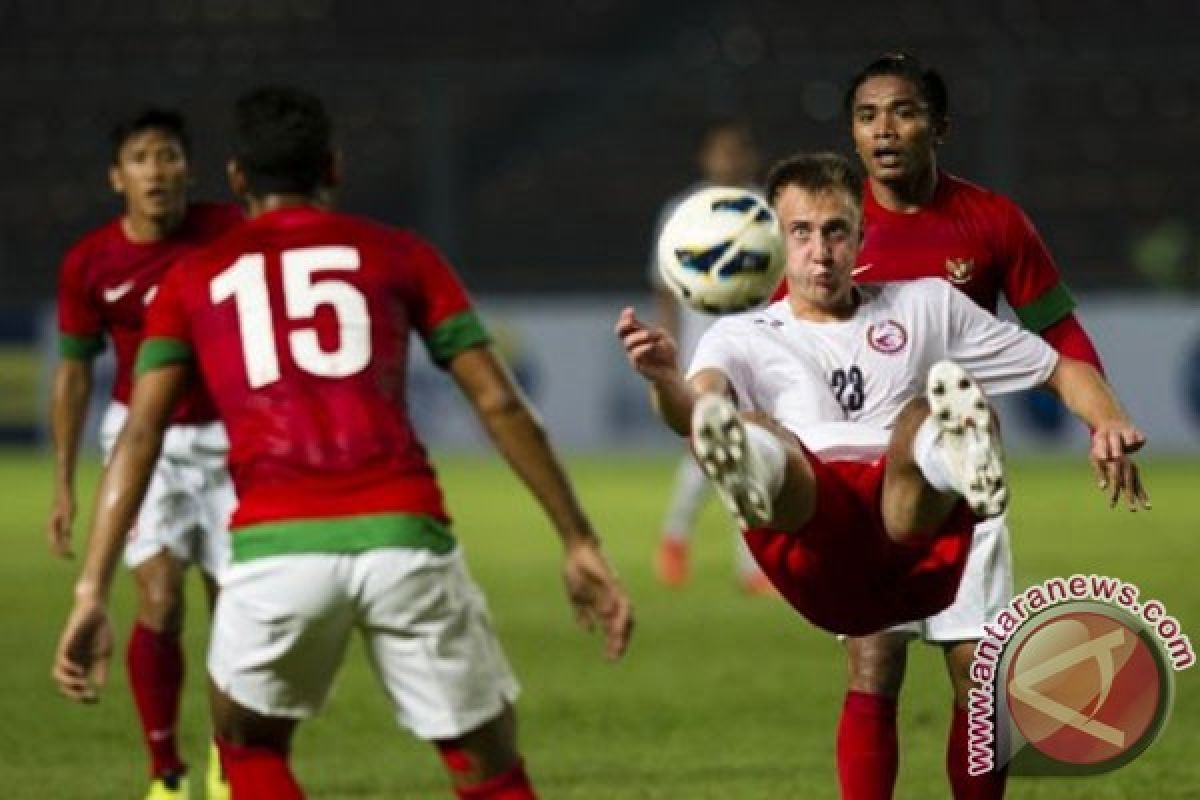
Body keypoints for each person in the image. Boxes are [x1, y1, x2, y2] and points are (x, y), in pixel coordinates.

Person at [53, 85, 633, 800]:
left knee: (246, 741)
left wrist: (90, 590)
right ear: (333, 167)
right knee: (488, 765)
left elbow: (138, 433)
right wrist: (576, 538)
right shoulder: (401, 254)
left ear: (236, 178)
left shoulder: (194, 277)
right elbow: (498, 401)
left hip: (275, 548)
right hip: (405, 536)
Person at [616, 149, 1148, 780]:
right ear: (777, 241)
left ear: (862, 236)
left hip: (917, 506)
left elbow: (1058, 368)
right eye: (802, 233)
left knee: (981, 671)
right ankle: (751, 468)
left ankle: (956, 451)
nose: (821, 251)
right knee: (757, 436)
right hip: (823, 526)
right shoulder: (744, 334)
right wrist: (662, 380)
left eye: (837, 230)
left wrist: (1107, 418)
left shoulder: (926, 304)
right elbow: (692, 408)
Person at [825, 52, 1114, 800]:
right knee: (874, 661)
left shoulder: (991, 220)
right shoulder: (832, 227)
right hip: (866, 472)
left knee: (978, 676)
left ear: (939, 126)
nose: (884, 130)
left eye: (903, 112)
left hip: (962, 468)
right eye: (867, 116)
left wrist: (1101, 420)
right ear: (852, 134)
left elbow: (1058, 331)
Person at [49, 108, 242, 800]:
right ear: (116, 177)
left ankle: (233, 757)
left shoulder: (229, 234)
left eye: (167, 156)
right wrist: (67, 484)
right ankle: (165, 772)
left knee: (238, 611)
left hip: (233, 439)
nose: (155, 171)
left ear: (189, 168)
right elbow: (74, 375)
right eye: (140, 158)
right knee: (159, 600)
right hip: (145, 445)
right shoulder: (91, 262)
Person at [649, 118, 771, 592]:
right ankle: (681, 538)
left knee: (754, 451)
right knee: (711, 452)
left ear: (751, 156)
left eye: (737, 150)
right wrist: (668, 363)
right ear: (705, 157)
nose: (729, 160)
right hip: (704, 353)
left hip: (760, 349)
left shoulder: (769, 209)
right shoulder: (681, 212)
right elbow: (664, 288)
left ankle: (749, 565)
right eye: (720, 151)